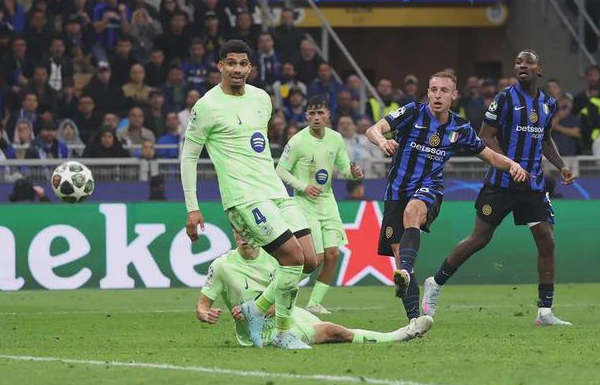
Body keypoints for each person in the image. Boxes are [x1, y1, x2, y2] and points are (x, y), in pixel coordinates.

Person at [180, 40, 320, 350]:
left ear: (250, 68)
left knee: (310, 260)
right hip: (244, 197)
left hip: (274, 190)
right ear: (220, 66)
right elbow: (189, 157)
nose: (237, 69)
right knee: (292, 257)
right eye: (231, 63)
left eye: (243, 64)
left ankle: (255, 309)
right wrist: (192, 207)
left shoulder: (262, 99)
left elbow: (256, 146)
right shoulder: (206, 106)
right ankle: (282, 332)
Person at [420, 50, 576, 326]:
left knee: (547, 240)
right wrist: (510, 164)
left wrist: (561, 165)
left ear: (539, 69)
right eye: (518, 62)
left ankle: (545, 312)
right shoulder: (505, 98)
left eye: (528, 62)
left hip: (533, 184)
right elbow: (485, 136)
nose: (522, 66)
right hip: (502, 183)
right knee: (479, 239)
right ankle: (436, 282)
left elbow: (545, 139)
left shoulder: (548, 103)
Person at [365, 69, 530, 328]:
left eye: (444, 91)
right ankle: (414, 321)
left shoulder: (460, 127)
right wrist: (381, 142)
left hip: (428, 189)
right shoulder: (412, 112)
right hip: (396, 193)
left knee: (412, 212)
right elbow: (373, 130)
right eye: (433, 90)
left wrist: (512, 165)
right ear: (428, 93)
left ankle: (405, 271)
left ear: (454, 95)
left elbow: (489, 156)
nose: (437, 95)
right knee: (399, 255)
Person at [197, 230, 427, 347]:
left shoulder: (277, 258)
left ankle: (397, 335)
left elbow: (288, 293)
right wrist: (205, 314)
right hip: (259, 334)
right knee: (333, 331)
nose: (243, 236)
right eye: (238, 230)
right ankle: (396, 336)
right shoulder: (222, 266)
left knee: (335, 330)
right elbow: (202, 306)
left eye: (247, 230)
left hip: (286, 314)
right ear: (233, 232)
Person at [276, 95, 364, 315]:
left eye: (320, 113)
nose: (316, 117)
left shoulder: (335, 138)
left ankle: (314, 303)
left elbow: (344, 168)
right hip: (304, 205)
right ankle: (276, 288)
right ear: (306, 116)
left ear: (328, 115)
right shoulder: (297, 141)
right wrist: (303, 186)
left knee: (333, 254)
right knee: (315, 259)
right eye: (312, 113)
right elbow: (281, 170)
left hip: (327, 203)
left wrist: (353, 173)